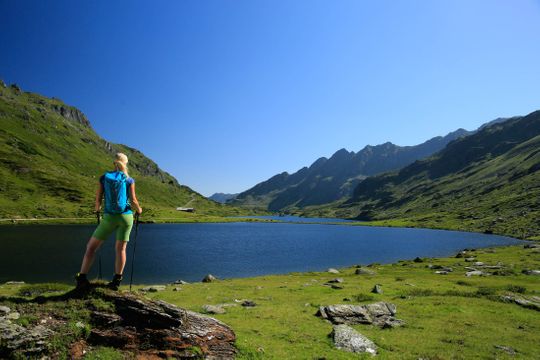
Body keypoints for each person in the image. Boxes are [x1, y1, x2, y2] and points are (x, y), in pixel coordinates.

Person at [75, 153, 142, 290]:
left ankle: (82, 277)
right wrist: (139, 210)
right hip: (126, 217)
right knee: (121, 249)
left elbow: (98, 199)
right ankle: (116, 281)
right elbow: (133, 201)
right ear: (125, 163)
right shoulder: (129, 180)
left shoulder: (104, 178)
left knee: (91, 247)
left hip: (109, 217)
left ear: (114, 163)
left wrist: (97, 209)